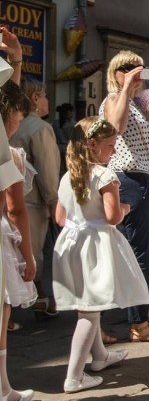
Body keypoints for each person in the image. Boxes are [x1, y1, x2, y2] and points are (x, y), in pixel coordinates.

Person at [53, 117, 149, 392]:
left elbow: (60, 217)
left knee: (88, 303)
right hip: (94, 246)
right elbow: (111, 217)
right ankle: (74, 376)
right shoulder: (105, 176)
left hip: (70, 244)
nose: (114, 151)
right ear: (93, 144)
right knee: (90, 311)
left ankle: (100, 356)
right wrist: (127, 209)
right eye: (111, 145)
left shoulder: (67, 175)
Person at [99, 50, 149, 342]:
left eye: (140, 68)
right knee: (130, 254)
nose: (136, 73)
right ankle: (136, 324)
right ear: (116, 72)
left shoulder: (137, 103)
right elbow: (114, 128)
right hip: (125, 180)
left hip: (140, 180)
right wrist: (127, 88)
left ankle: (134, 319)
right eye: (128, 68)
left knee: (140, 254)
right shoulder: (114, 100)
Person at [0, 81, 36, 401]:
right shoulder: (7, 154)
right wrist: (28, 257)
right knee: (1, 312)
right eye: (19, 115)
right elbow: (15, 208)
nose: (20, 122)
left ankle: (4, 387)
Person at [14, 78, 61, 318]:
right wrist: (54, 201)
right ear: (35, 98)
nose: (47, 101)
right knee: (32, 255)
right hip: (32, 202)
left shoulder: (13, 124)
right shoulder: (40, 128)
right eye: (44, 96)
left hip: (13, 199)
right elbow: (47, 169)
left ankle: (40, 298)